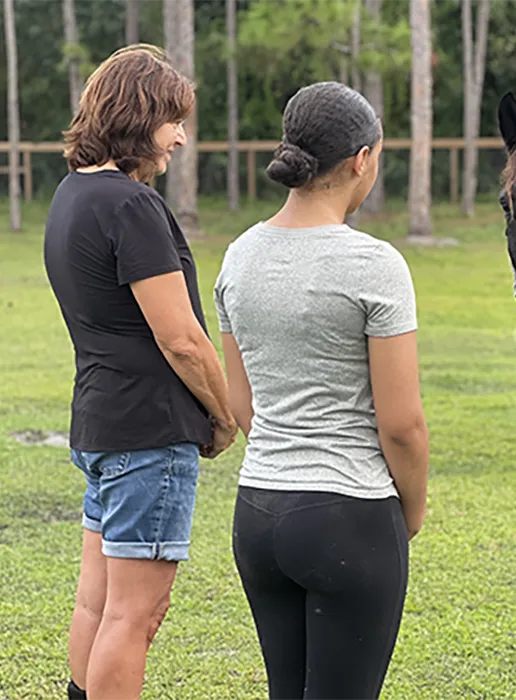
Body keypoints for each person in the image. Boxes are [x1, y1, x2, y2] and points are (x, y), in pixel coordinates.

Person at [214, 81, 430, 700]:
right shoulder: (374, 265)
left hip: (257, 515)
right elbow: (402, 425)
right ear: (362, 159)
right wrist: (407, 513)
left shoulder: (239, 257)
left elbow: (242, 404)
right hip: (350, 516)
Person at [43, 45, 237, 700]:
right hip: (148, 435)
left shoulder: (71, 195)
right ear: (139, 115)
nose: (181, 136)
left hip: (100, 427)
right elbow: (181, 338)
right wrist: (222, 411)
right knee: (136, 616)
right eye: (172, 121)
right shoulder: (132, 206)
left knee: (96, 608)